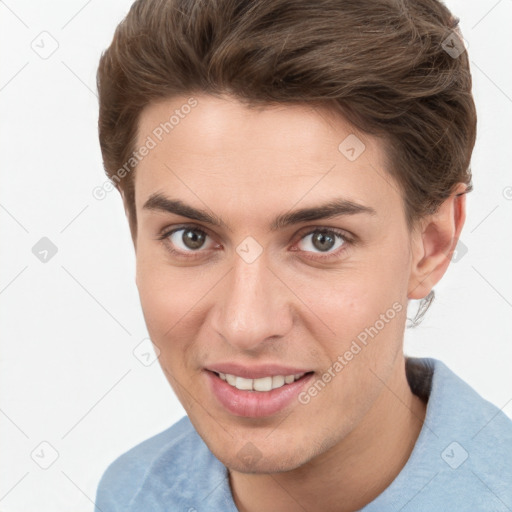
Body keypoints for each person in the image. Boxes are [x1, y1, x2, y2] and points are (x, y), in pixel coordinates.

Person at [94, 0, 512, 510]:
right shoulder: (134, 494)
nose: (245, 325)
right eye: (191, 237)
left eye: (321, 240)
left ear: (432, 245)